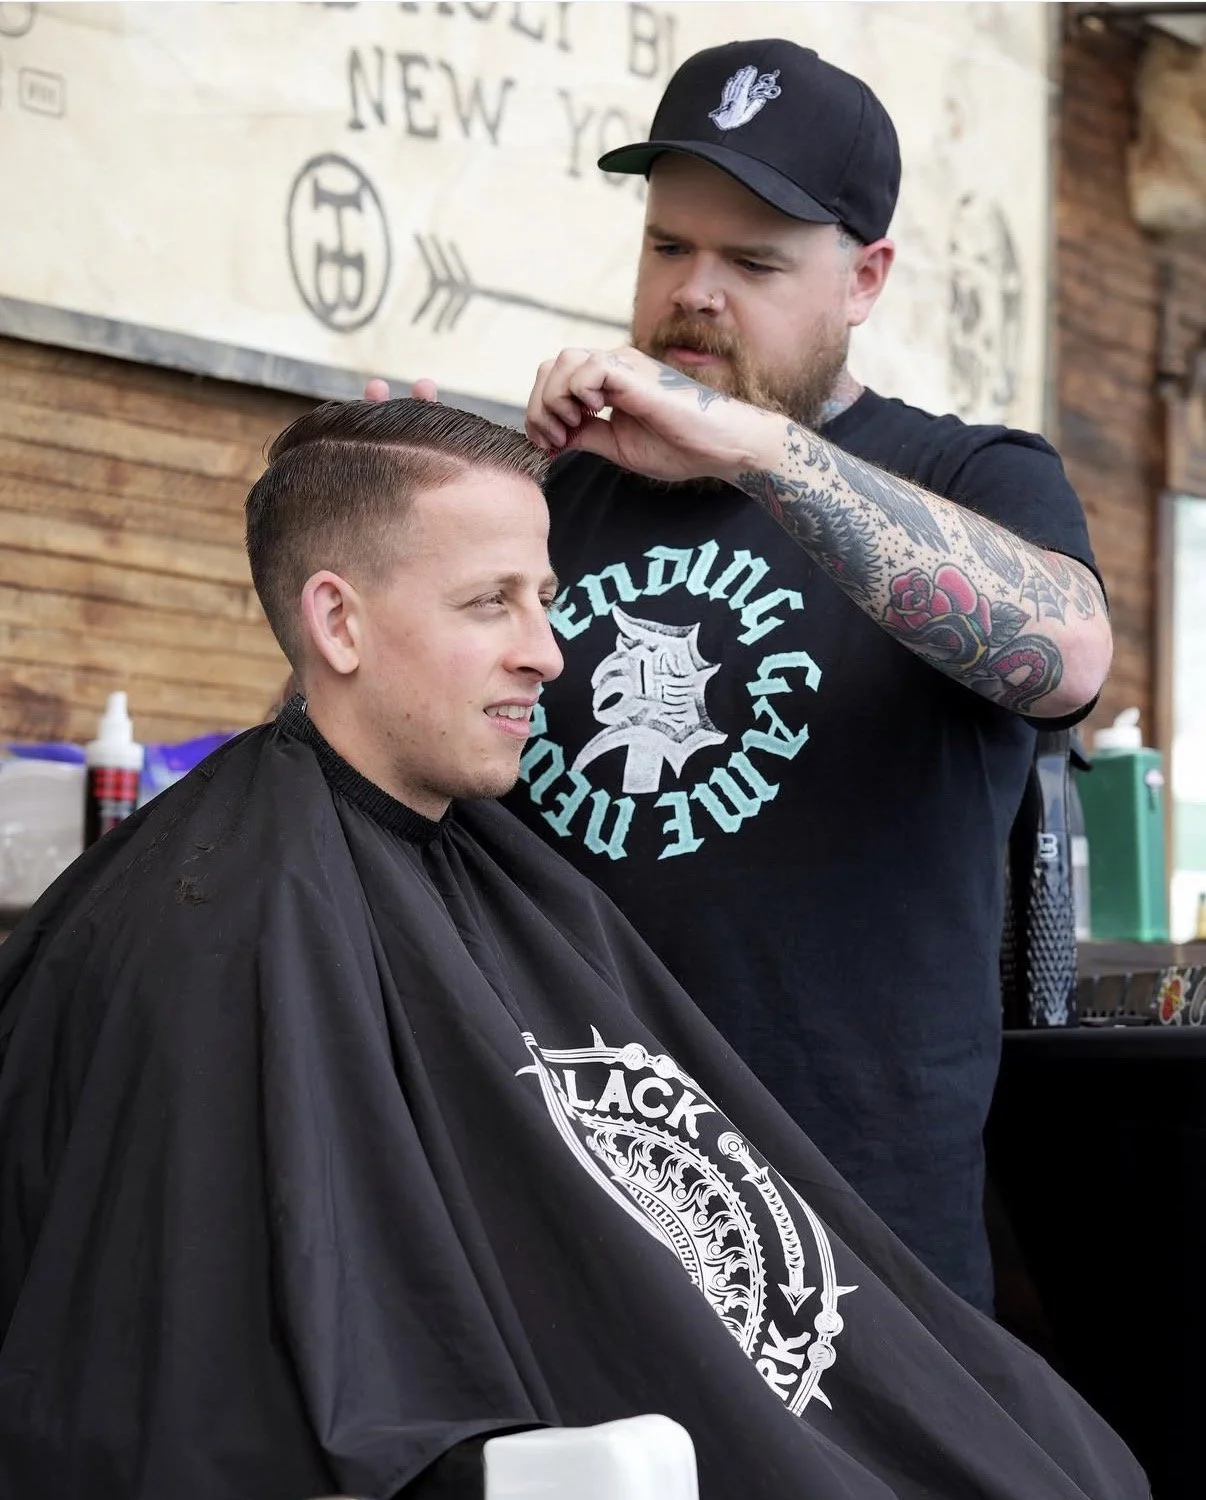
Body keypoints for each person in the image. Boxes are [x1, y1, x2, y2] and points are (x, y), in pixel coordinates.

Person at [0, 399, 1144, 1500]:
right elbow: (219, 1404)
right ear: (338, 622)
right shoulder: (215, 931)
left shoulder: (498, 880)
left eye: (545, 599)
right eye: (490, 602)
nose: (550, 655)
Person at [492, 39, 1111, 1316]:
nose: (694, 294)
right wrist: (447, 500)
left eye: (755, 262)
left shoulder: (973, 476)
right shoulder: (546, 495)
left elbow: (1068, 657)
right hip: (556, 1217)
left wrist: (755, 449)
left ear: (866, 276)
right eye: (669, 247)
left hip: (855, 1251)